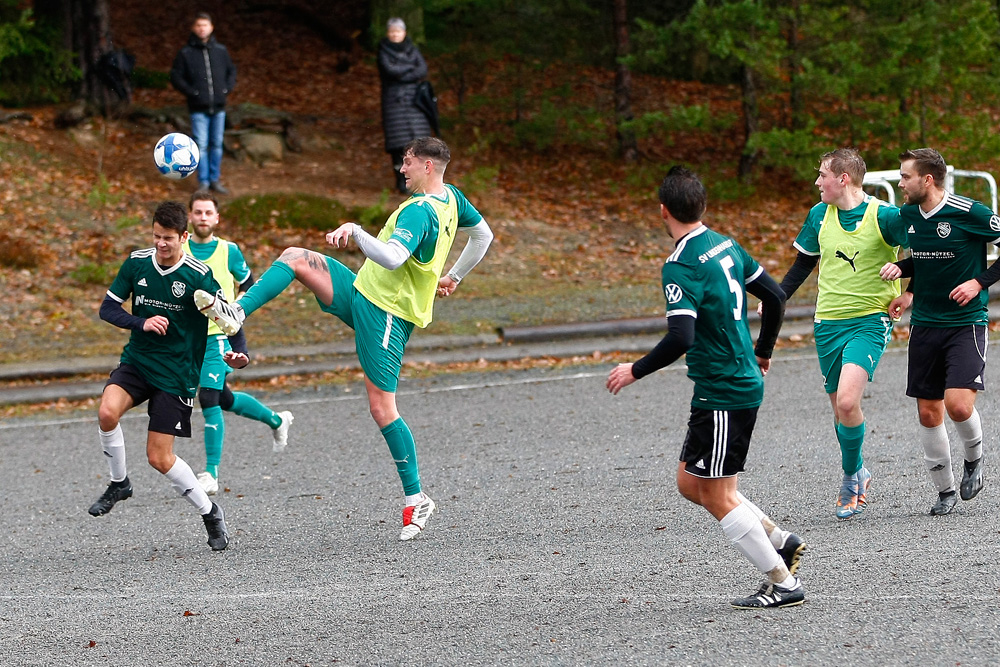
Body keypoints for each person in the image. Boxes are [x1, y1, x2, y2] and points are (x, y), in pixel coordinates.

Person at [195, 137, 494, 541]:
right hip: (363, 292)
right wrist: (454, 277)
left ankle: (417, 497)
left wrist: (355, 230)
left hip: (387, 314)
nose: (401, 169)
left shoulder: (420, 212)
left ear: (427, 166)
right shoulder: (453, 198)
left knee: (382, 408)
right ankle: (237, 311)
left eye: (406, 163)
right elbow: (484, 236)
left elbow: (391, 257)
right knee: (295, 257)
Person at [606, 166, 806, 609]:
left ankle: (782, 581)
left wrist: (634, 370)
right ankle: (781, 540)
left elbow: (682, 337)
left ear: (662, 211)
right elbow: (774, 297)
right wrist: (763, 350)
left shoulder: (680, 266)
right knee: (689, 483)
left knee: (716, 493)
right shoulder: (726, 245)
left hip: (724, 389)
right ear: (702, 206)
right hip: (730, 383)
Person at [88, 201, 249, 551]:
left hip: (177, 372)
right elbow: (107, 308)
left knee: (159, 458)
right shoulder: (136, 263)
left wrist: (241, 352)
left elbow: (230, 318)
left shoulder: (197, 274)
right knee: (106, 412)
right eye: (157, 236)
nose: (161, 244)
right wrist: (140, 322)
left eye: (169, 238)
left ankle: (210, 513)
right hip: (139, 361)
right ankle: (120, 483)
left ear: (184, 237)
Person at [775, 148, 907, 519]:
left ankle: (850, 477)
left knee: (848, 402)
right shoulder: (819, 215)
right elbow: (802, 265)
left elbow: (925, 253)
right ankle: (860, 469)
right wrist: (776, 298)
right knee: (839, 410)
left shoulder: (886, 216)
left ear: (843, 178)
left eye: (822, 175)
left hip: (869, 320)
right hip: (827, 323)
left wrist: (910, 291)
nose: (817, 182)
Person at [880, 148, 998, 515]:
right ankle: (945, 491)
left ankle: (974, 460)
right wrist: (905, 276)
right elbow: (931, 255)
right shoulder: (909, 215)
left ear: (927, 180)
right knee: (929, 413)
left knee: (958, 405)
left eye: (905, 177)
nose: (900, 184)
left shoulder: (970, 212)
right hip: (925, 324)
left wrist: (979, 282)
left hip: (966, 323)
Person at [184, 190, 294, 495]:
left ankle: (211, 473)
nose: (203, 218)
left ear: (216, 218)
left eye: (208, 213)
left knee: (207, 397)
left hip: (218, 335)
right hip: (186, 339)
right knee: (223, 399)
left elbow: (248, 284)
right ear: (190, 217)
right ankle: (276, 420)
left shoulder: (229, 251)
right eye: (198, 212)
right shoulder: (180, 249)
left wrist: (235, 310)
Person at [170, 12, 237, 194]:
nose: (202, 28)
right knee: (200, 144)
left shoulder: (221, 51)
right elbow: (176, 76)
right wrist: (192, 92)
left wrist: (226, 89)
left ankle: (215, 180)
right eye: (198, 25)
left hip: (219, 107)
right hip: (197, 108)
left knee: (216, 144)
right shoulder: (185, 53)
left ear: (211, 27)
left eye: (205, 25)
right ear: (194, 28)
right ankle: (203, 182)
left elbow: (232, 71)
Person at [378, 17, 433, 194]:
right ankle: (401, 181)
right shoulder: (383, 50)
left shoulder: (412, 48)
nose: (395, 34)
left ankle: (419, 181)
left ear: (404, 32)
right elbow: (390, 71)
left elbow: (422, 69)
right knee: (398, 144)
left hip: (415, 102)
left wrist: (403, 72)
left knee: (419, 143)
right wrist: (410, 70)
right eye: (392, 31)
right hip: (394, 102)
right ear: (388, 33)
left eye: (398, 31)